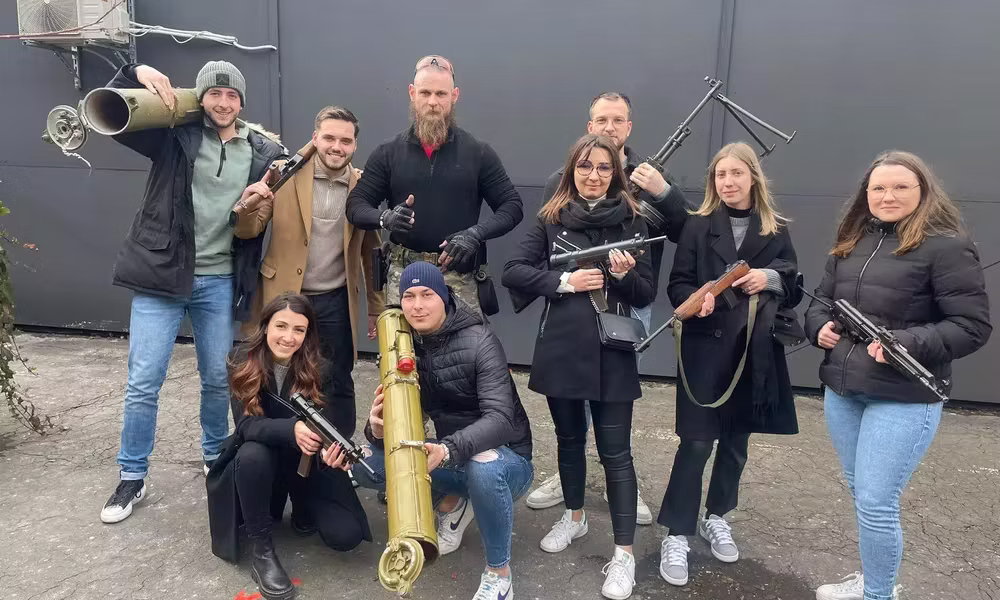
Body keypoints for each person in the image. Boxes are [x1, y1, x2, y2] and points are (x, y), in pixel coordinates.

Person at [99, 61, 286, 524]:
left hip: (220, 280)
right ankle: (132, 475)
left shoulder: (262, 151)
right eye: (215, 94)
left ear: (242, 102)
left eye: (232, 96)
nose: (224, 103)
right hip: (162, 277)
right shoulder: (172, 135)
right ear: (200, 97)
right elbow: (113, 112)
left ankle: (213, 454)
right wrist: (135, 70)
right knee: (143, 383)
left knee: (218, 379)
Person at [804, 151, 991, 600]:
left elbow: (972, 327)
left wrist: (908, 342)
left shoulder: (946, 245)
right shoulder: (852, 240)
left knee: (875, 501)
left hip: (905, 395)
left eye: (900, 187)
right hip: (845, 390)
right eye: (878, 188)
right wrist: (818, 328)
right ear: (865, 194)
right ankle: (873, 579)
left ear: (923, 191)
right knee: (862, 493)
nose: (887, 196)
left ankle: (879, 594)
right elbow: (821, 302)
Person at [527, 92, 691, 523]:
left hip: (629, 300)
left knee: (612, 403)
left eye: (617, 120)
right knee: (571, 401)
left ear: (629, 127)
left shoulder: (651, 174)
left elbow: (687, 229)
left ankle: (620, 482)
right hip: (571, 307)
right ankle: (571, 482)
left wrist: (665, 191)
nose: (608, 127)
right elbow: (542, 240)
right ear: (589, 125)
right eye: (601, 119)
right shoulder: (563, 179)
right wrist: (563, 281)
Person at [502, 134, 653, 600]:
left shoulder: (633, 221)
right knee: (568, 442)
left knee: (616, 454)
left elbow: (647, 293)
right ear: (572, 170)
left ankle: (623, 554)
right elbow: (513, 271)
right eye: (586, 166)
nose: (594, 175)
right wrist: (564, 281)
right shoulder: (551, 219)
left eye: (604, 168)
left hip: (612, 353)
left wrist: (624, 277)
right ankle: (574, 516)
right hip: (563, 349)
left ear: (616, 174)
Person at [656, 141, 800, 587]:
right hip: (703, 349)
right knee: (696, 443)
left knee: (736, 443)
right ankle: (677, 531)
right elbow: (677, 284)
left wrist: (770, 278)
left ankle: (717, 515)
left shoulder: (775, 229)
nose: (729, 182)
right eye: (721, 175)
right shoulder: (699, 227)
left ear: (753, 177)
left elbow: (793, 283)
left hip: (753, 352)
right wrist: (694, 301)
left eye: (737, 174)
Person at [349, 262, 534, 600]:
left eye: (427, 295)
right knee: (367, 464)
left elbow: (502, 420)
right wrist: (377, 429)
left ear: (445, 297)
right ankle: (461, 498)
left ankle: (499, 572)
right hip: (450, 453)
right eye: (408, 296)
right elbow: (401, 418)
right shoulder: (408, 345)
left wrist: (447, 450)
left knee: (483, 468)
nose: (417, 305)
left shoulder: (480, 340)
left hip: (507, 459)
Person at [207, 292, 371, 600]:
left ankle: (301, 506)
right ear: (265, 325)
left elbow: (330, 425)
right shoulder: (243, 359)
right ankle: (262, 550)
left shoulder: (321, 367)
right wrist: (291, 429)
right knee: (252, 453)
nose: (288, 337)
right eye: (281, 326)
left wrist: (331, 453)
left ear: (308, 333)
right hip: (259, 463)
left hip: (304, 465)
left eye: (299, 329)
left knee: (345, 536)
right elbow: (245, 425)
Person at [233, 106, 383, 437]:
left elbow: (371, 252)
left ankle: (337, 459)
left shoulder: (362, 187)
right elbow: (249, 229)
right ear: (315, 138)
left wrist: (376, 308)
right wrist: (246, 204)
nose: (336, 147)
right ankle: (282, 447)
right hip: (285, 298)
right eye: (328, 137)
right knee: (277, 379)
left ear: (355, 145)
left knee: (338, 382)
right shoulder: (283, 173)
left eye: (345, 140)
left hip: (336, 302)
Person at [345, 55, 523, 314]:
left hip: (459, 281)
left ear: (455, 95)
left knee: (463, 354)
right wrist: (385, 218)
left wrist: (475, 234)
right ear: (412, 93)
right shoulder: (388, 153)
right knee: (403, 354)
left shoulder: (478, 153)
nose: (432, 102)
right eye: (425, 92)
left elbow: (512, 207)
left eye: (441, 93)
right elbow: (356, 206)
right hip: (402, 281)